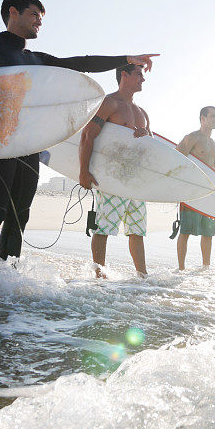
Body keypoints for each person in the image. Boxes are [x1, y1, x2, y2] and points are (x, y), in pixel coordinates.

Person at [0, 0, 157, 286]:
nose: (39, 22)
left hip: (28, 146)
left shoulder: (35, 59)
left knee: (19, 216)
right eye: (34, 14)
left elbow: (78, 63)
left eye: (41, 17)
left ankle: (7, 283)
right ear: (13, 12)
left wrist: (125, 59)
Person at [78, 63, 151, 277]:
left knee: (137, 231)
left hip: (135, 181)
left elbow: (150, 150)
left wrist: (145, 136)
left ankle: (142, 277)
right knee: (104, 228)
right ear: (124, 75)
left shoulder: (142, 112)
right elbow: (87, 135)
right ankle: (99, 276)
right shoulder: (110, 103)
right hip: (111, 177)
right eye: (139, 75)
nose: (143, 79)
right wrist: (84, 171)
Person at [175, 106, 215, 270]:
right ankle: (181, 269)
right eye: (212, 116)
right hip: (192, 192)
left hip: (210, 194)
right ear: (202, 118)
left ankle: (205, 268)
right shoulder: (192, 138)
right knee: (186, 231)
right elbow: (176, 159)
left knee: (208, 233)